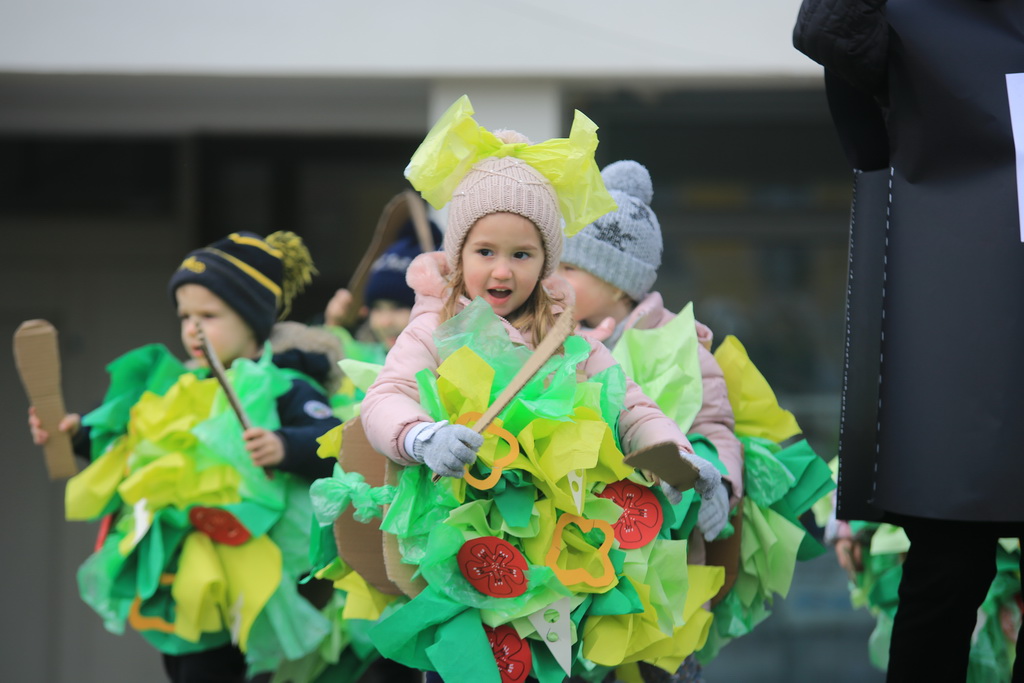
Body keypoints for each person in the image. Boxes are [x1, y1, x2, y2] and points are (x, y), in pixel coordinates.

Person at [356, 95, 724, 683]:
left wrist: (677, 455)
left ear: (546, 260)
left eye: (522, 254)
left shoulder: (568, 338)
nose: (502, 271)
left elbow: (630, 404)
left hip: (552, 564)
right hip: (457, 556)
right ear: (459, 254)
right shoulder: (434, 327)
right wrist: (422, 436)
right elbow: (384, 399)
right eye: (485, 252)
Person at [793, 2, 1024, 682]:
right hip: (957, 314)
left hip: (952, 298)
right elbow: (831, 37)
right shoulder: (917, 21)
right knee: (949, 565)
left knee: (946, 569)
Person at [29, 231, 342, 682]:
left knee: (214, 669)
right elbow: (134, 446)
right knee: (181, 665)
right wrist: (76, 436)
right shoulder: (180, 386)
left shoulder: (285, 385)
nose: (193, 328)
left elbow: (333, 440)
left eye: (209, 315)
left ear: (252, 319)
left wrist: (284, 445)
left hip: (253, 570)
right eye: (185, 316)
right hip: (181, 563)